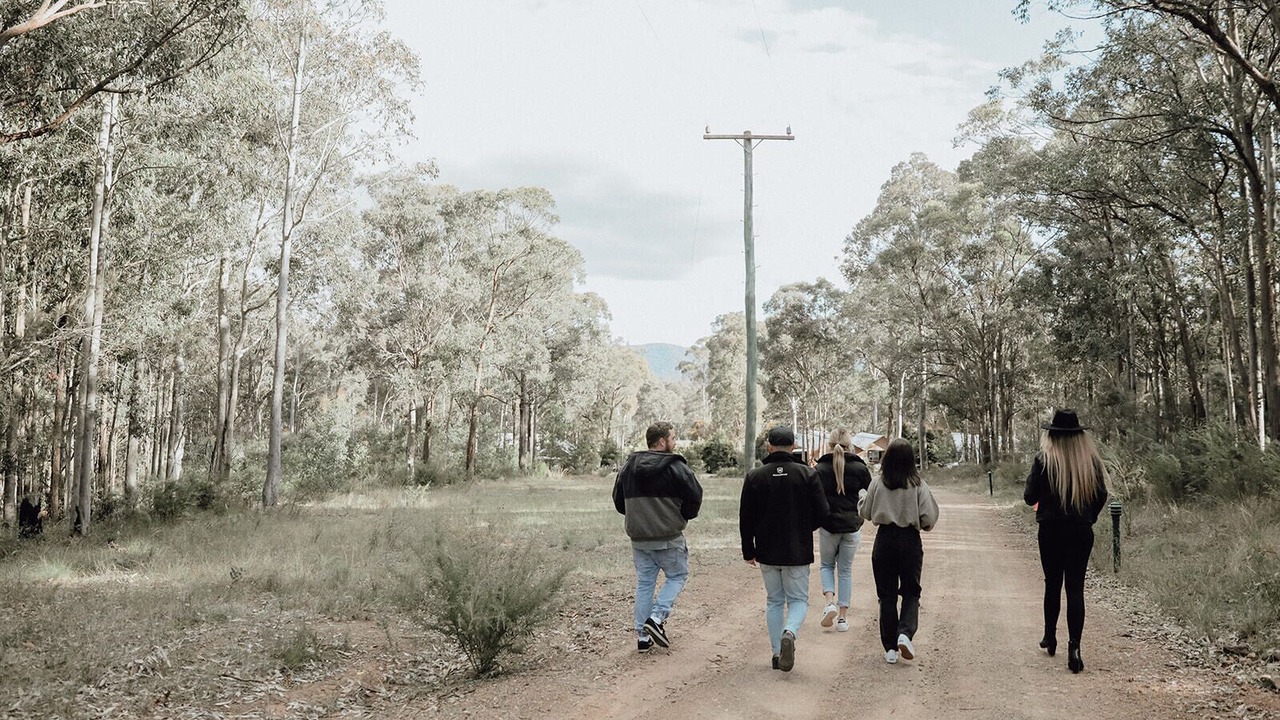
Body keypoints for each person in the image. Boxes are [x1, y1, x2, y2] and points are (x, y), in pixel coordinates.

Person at [1024, 408, 1109, 673]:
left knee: (1052, 583)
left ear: (1052, 434)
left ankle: (1050, 637)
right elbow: (1101, 496)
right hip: (1080, 531)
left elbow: (1029, 496)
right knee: (1075, 587)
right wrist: (1088, 518)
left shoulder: (1043, 460)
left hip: (1050, 530)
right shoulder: (1090, 462)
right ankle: (1075, 648)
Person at [739, 426, 829, 672]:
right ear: (793, 446)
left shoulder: (755, 476)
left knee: (774, 601)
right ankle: (790, 632)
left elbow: (746, 518)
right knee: (798, 599)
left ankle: (777, 653)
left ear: (769, 446)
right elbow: (823, 512)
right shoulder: (807, 474)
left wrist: (749, 549)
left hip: (767, 550)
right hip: (796, 549)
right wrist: (803, 527)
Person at [613, 421, 704, 654]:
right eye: (673, 438)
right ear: (662, 442)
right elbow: (695, 496)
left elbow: (618, 501)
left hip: (638, 538)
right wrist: (681, 515)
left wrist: (640, 517)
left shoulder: (628, 467)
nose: (675, 442)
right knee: (677, 575)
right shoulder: (676, 467)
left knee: (645, 583)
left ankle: (643, 638)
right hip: (669, 537)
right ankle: (656, 617)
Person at [858, 437, 939, 664]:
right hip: (910, 541)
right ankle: (905, 633)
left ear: (887, 459)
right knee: (911, 591)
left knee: (887, 595)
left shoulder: (877, 483)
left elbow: (865, 512)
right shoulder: (918, 485)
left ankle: (890, 649)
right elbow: (929, 518)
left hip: (884, 540)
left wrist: (861, 497)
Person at [814, 429, 872, 633]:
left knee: (827, 565)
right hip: (852, 526)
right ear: (850, 446)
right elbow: (871, 493)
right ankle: (842, 619)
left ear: (829, 445)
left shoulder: (820, 468)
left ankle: (829, 603)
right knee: (845, 571)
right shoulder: (860, 468)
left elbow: (813, 498)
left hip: (828, 526)